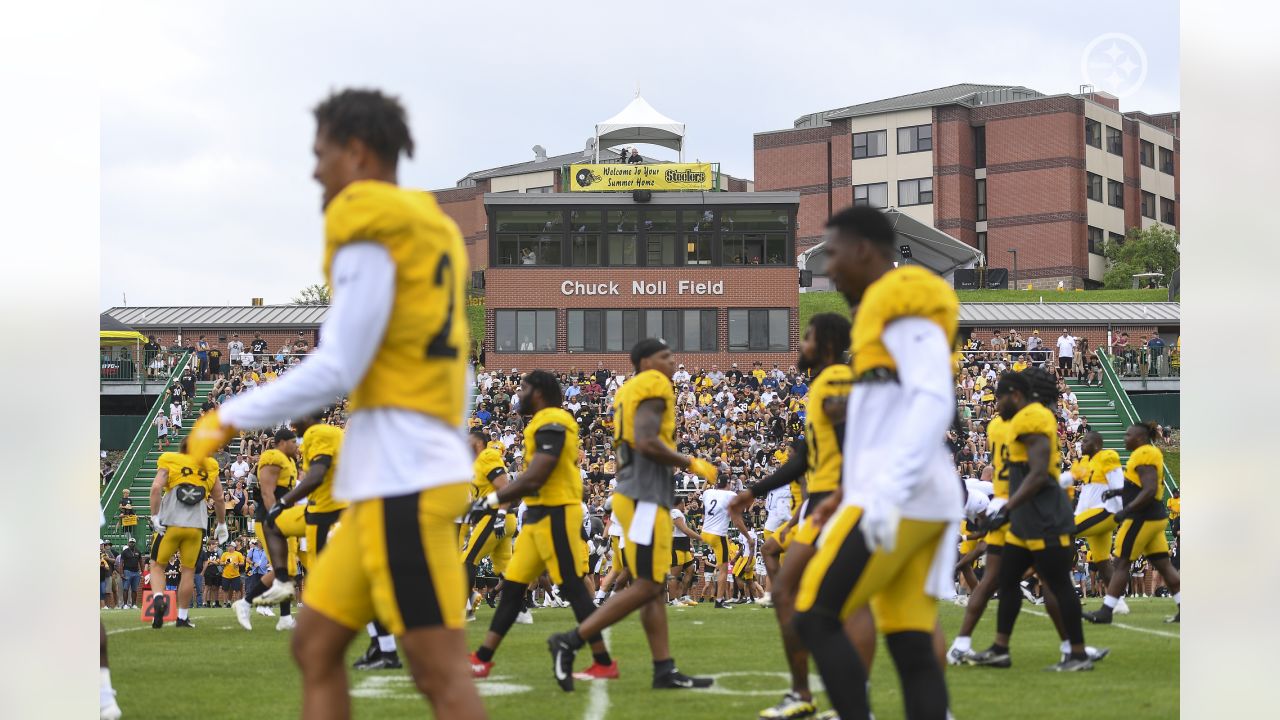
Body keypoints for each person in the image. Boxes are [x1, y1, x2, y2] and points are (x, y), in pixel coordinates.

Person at [186, 88, 485, 719]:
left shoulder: (366, 216)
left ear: (355, 150)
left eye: (320, 153)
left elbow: (341, 363)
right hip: (392, 480)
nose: (314, 169)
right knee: (316, 645)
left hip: (407, 481)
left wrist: (231, 415)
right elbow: (454, 369)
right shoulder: (436, 230)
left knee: (440, 676)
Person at [790, 206, 962, 720]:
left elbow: (933, 398)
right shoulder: (875, 314)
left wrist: (883, 491)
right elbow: (887, 418)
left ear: (864, 248)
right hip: (906, 496)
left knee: (813, 614)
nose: (828, 269)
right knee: (910, 644)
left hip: (899, 499)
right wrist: (848, 490)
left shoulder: (901, 299)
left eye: (834, 254)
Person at [547, 339, 718, 692]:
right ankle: (572, 639)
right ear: (645, 361)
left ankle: (663, 669)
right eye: (665, 356)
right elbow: (645, 439)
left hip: (634, 492)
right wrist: (691, 463)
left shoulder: (628, 389)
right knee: (648, 585)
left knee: (652, 588)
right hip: (644, 496)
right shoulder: (654, 383)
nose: (673, 361)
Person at [730, 312, 853, 720]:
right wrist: (753, 491)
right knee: (798, 595)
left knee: (831, 601)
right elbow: (805, 455)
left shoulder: (835, 380)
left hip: (836, 504)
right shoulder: (823, 384)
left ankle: (831, 697)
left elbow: (852, 440)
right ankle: (807, 694)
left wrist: (840, 493)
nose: (802, 345)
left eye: (809, 337)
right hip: (822, 504)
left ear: (828, 343)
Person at [466, 371, 616, 681]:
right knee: (512, 589)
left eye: (522, 388)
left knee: (573, 587)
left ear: (539, 391)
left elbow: (538, 475)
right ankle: (481, 659)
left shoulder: (553, 420)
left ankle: (603, 661)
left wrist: (490, 501)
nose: (518, 394)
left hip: (555, 513)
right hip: (538, 515)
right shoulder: (542, 421)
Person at [966, 370, 1093, 671]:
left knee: (1059, 583)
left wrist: (1006, 508)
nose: (996, 405)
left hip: (1044, 514)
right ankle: (1000, 648)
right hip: (1027, 517)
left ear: (1016, 396)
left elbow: (1037, 474)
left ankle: (1077, 654)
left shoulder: (1030, 417)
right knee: (1006, 580)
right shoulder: (1028, 416)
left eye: (1000, 398)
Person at [1084, 421, 1181, 624]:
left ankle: (1107, 611)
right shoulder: (1146, 453)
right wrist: (1117, 492)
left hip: (1142, 517)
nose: (1125, 438)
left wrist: (1126, 510)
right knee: (1164, 565)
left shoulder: (1143, 453)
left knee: (1121, 562)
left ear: (1140, 438)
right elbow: (1137, 487)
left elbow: (1149, 489)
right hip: (1153, 517)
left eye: (1128, 435)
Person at [146, 437, 228, 629]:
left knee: (157, 566)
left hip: (170, 524)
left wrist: (154, 516)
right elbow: (219, 498)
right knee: (188, 571)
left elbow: (156, 487)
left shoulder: (170, 459)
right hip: (196, 527)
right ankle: (182, 617)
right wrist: (222, 523)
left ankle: (158, 599)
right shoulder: (209, 465)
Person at [235, 428, 305, 630]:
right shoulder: (272, 457)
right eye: (293, 442)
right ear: (282, 442)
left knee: (287, 570)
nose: (296, 446)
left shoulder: (291, 462)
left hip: (285, 519)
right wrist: (276, 518)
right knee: (284, 568)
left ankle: (284, 617)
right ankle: (247, 603)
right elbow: (267, 492)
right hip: (270, 520)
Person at [1072, 432, 1130, 614]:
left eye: (1086, 441)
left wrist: (1122, 511)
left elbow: (1118, 485)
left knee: (1063, 532)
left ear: (1097, 443)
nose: (1082, 444)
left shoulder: (1108, 456)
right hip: (1092, 515)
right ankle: (1118, 602)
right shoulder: (1085, 463)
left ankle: (1056, 586)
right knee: (1102, 561)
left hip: (1106, 511)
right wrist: (1076, 514)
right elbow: (1086, 494)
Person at [461, 430, 514, 622]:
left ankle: (466, 607)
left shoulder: (487, 455)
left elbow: (504, 488)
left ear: (477, 443)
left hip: (496, 516)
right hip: (499, 518)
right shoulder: (474, 465)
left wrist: (499, 514)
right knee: (506, 570)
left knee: (467, 560)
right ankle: (520, 608)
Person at [698, 476, 751, 609]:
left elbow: (703, 494)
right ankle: (720, 600)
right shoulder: (730, 495)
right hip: (718, 535)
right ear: (727, 484)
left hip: (705, 533)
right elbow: (737, 519)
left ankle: (720, 598)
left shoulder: (708, 492)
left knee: (722, 567)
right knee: (723, 569)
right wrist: (748, 537)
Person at [119, 537, 143, 609]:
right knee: (126, 588)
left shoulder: (138, 551)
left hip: (136, 572)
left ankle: (134, 604)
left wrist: (142, 572)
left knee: (134, 589)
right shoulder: (125, 552)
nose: (131, 543)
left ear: (135, 543)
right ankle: (125, 604)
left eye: (133, 542)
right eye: (130, 542)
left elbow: (141, 562)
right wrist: (121, 573)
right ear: (128, 543)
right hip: (127, 571)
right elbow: (121, 563)